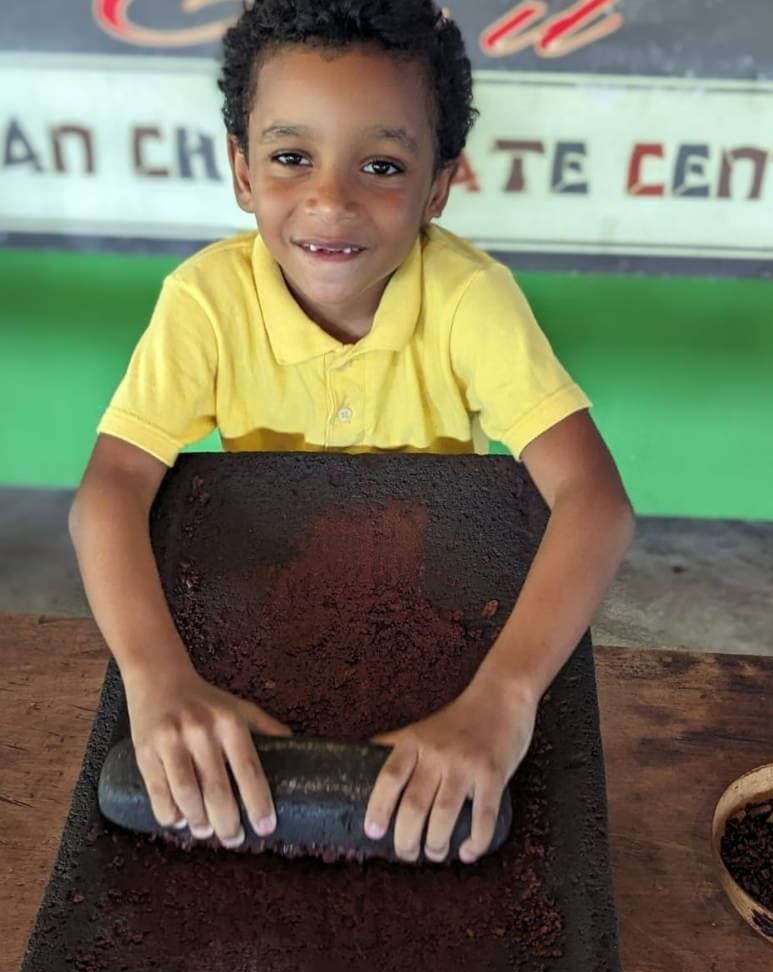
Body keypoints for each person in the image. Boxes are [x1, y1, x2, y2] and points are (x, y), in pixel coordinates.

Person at [69, 0, 634, 866]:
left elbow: (595, 501)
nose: (330, 199)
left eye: (380, 164)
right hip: (270, 603)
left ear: (438, 187)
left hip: (437, 608)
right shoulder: (204, 301)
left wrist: (504, 700)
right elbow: (108, 492)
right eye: (291, 158)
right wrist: (157, 680)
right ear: (243, 172)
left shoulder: (469, 300)